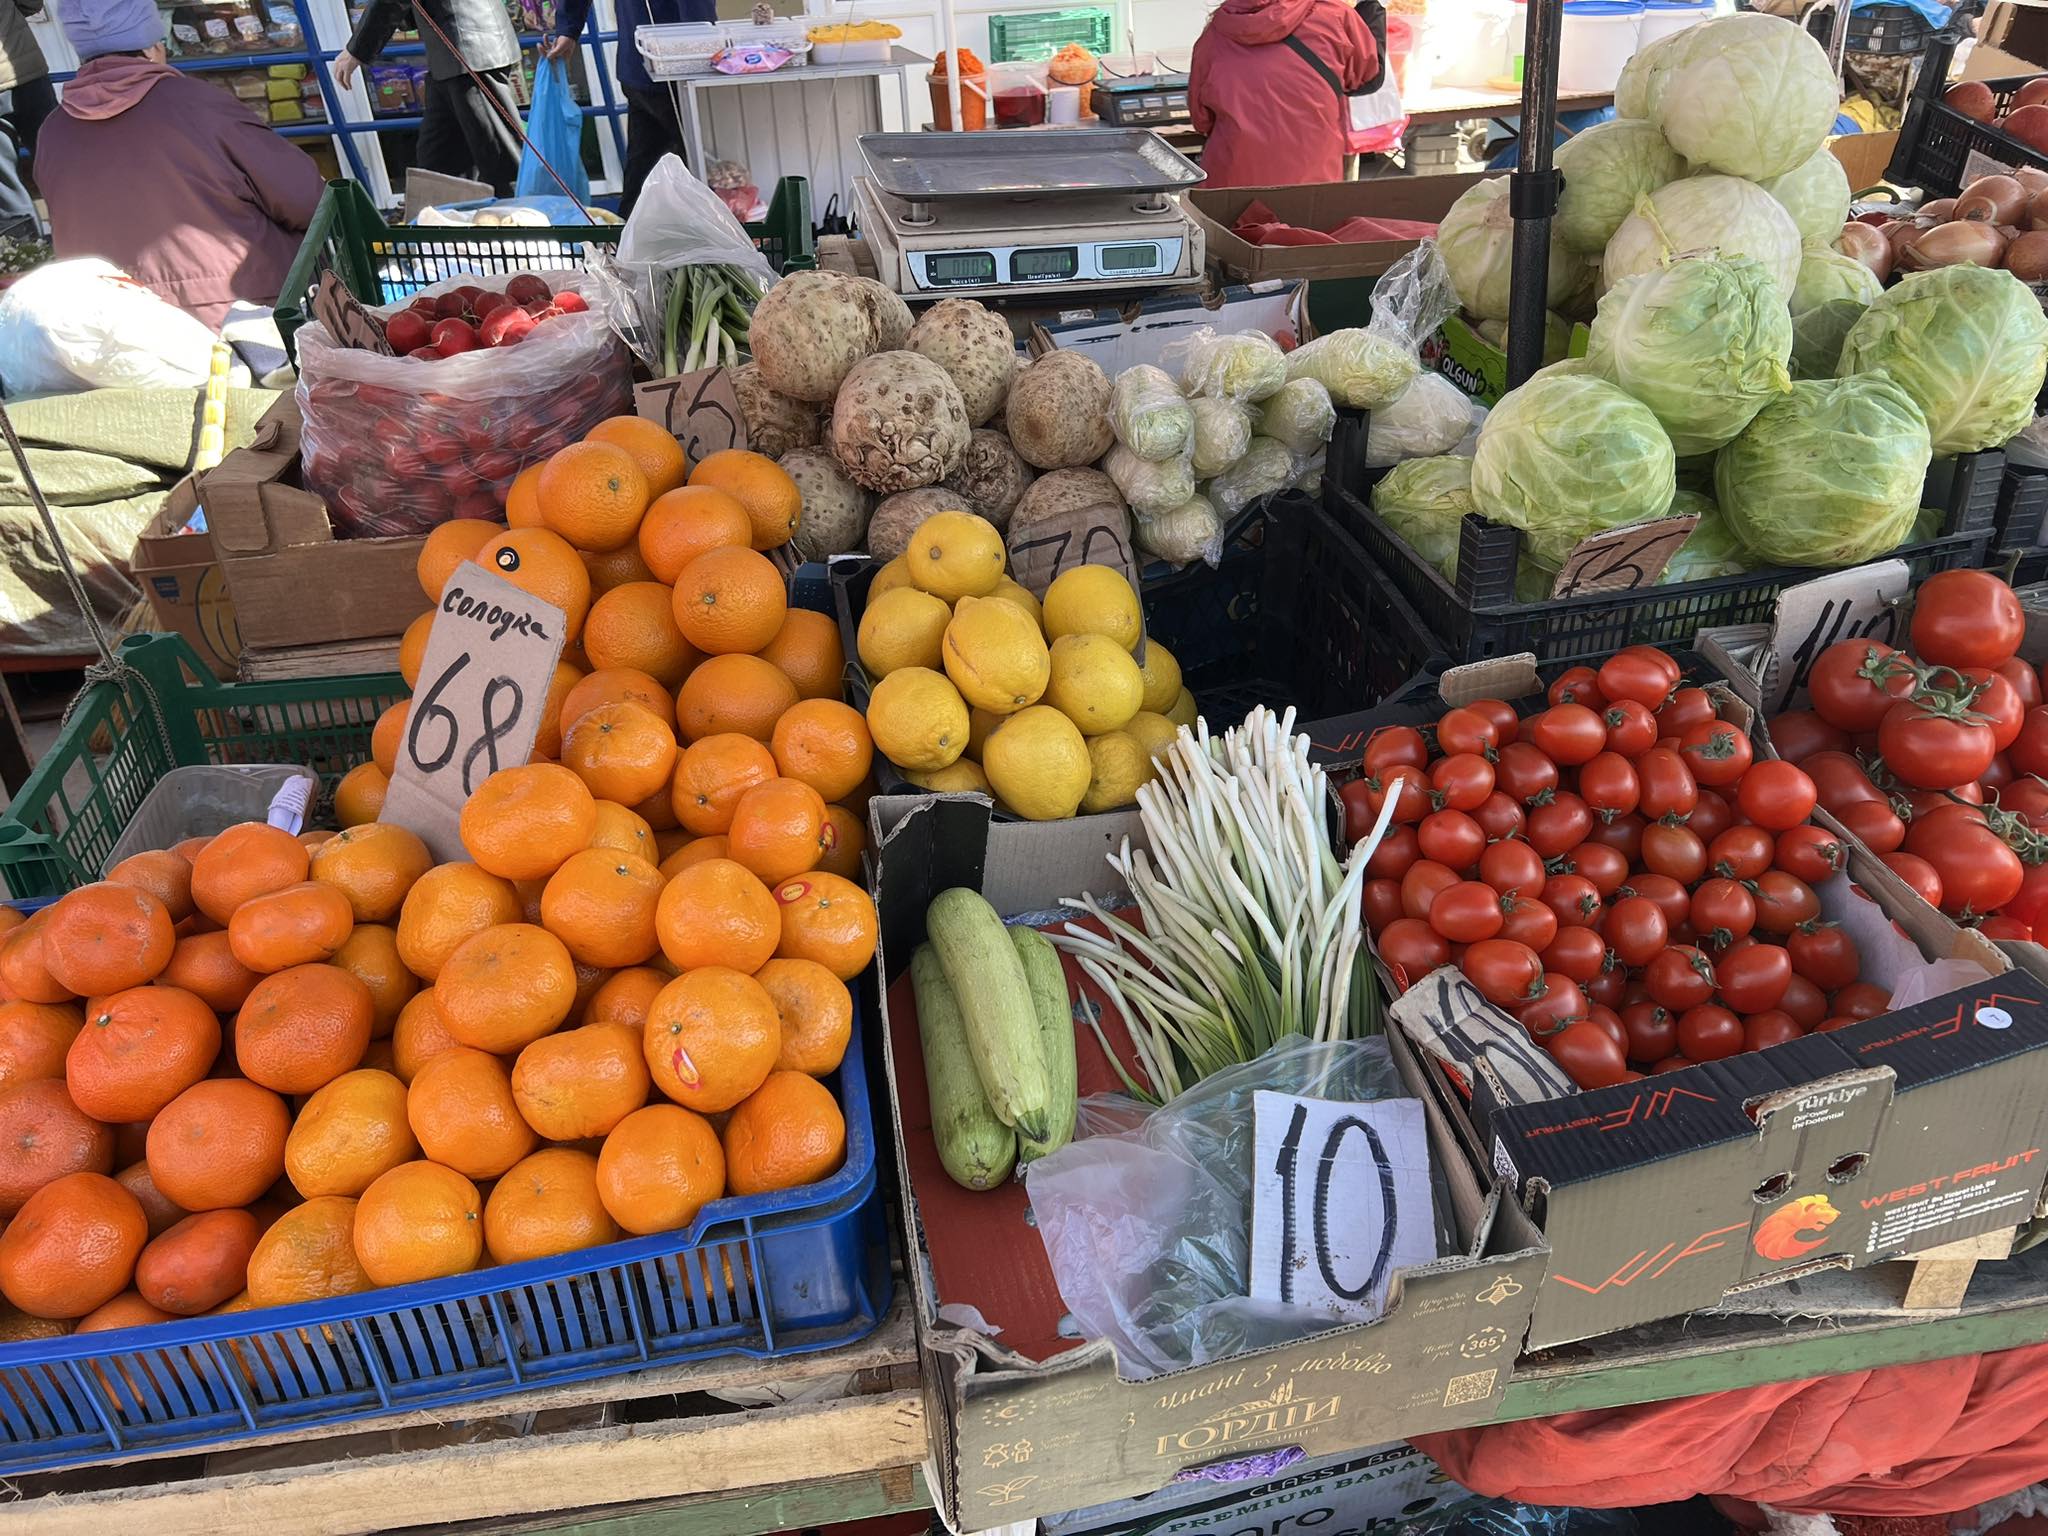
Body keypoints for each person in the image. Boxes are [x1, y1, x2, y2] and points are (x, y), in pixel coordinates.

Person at [34, 0, 323, 329]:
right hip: (243, 315)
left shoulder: (52, 131)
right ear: (154, 48)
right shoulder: (199, 104)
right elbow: (307, 201)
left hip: (113, 327)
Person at [337, 0, 523, 196]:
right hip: (455, 52)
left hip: (468, 49)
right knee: (437, 166)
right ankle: (445, 220)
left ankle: (527, 218)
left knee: (500, 163)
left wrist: (357, 50)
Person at [1188, 0, 1379, 189]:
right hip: (1313, 181)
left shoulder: (1214, 36)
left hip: (1231, 184)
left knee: (1228, 220)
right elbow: (1367, 75)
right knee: (1309, 219)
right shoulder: (1336, 15)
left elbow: (1201, 120)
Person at [546, 0, 710, 217]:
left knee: (644, 166)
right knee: (706, 169)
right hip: (673, 62)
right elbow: (696, 18)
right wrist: (705, 51)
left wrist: (569, 26)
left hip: (639, 62)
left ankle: (625, 237)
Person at [0, 0, 54, 239]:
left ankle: (27, 257)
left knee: (7, 187)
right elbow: (31, 3)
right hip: (26, 70)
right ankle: (90, 240)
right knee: (59, 162)